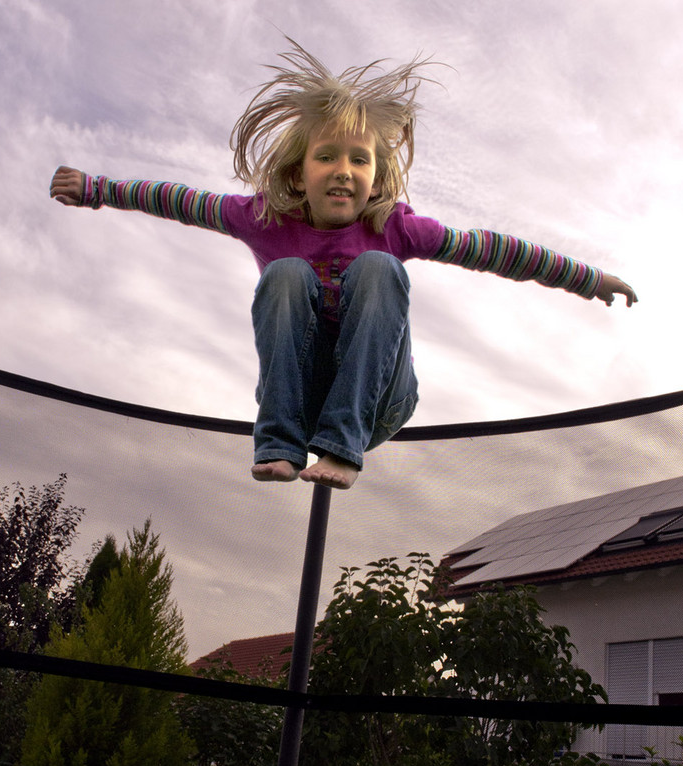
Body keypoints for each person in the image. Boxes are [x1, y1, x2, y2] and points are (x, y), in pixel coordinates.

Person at [50, 40, 637, 491]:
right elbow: (181, 201)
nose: (342, 170)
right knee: (285, 277)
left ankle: (343, 446)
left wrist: (588, 279)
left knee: (380, 270)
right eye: (326, 156)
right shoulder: (262, 217)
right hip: (300, 397)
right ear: (297, 172)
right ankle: (279, 442)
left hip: (379, 400)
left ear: (376, 177)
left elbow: (494, 250)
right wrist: (98, 187)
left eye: (359, 160)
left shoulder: (396, 226)